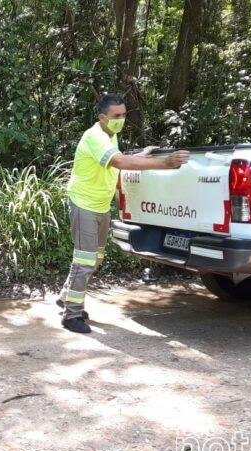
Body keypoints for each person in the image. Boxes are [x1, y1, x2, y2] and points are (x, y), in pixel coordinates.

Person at [58, 94, 190, 334]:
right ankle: (71, 314)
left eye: (124, 115)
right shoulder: (94, 136)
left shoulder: (110, 134)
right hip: (84, 204)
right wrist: (165, 163)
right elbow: (118, 162)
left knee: (95, 258)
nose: (121, 119)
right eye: (116, 116)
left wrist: (143, 155)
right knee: (85, 260)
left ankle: (67, 296)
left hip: (100, 205)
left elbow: (115, 159)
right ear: (102, 117)